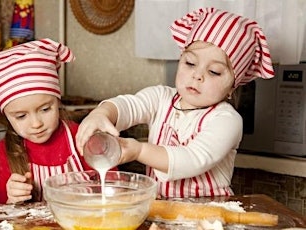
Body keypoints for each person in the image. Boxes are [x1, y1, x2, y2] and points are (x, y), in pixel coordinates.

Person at [76, 7, 274, 198]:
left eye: (213, 71)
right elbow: (129, 105)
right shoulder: (160, 98)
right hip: (161, 210)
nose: (197, 75)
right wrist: (101, 114)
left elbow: (192, 159)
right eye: (190, 63)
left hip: (208, 215)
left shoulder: (227, 120)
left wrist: (139, 150)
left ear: (233, 85)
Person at [0, 38, 94, 204]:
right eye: (21, 116)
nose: (36, 123)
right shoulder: (3, 153)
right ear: (6, 116)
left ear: (58, 101)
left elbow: (112, 189)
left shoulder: (82, 137)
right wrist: (11, 199)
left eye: (45, 109)